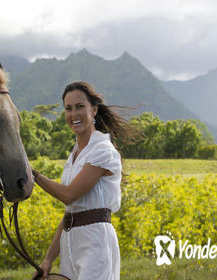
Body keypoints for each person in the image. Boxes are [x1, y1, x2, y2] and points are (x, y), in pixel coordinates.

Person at [33, 81, 135, 280]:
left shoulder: (102, 150)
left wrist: (33, 175)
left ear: (93, 110)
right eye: (68, 109)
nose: (74, 114)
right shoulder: (73, 156)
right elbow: (69, 214)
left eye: (80, 106)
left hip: (95, 242)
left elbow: (69, 195)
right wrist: (48, 259)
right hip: (70, 243)